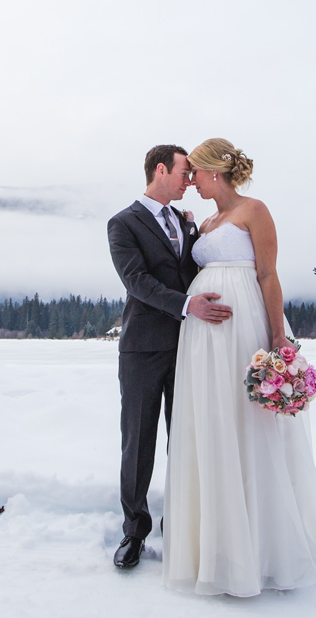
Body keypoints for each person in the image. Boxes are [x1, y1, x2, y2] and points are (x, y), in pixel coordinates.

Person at [161, 138, 316, 596]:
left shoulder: (254, 210)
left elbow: (268, 274)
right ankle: (216, 547)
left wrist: (277, 336)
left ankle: (262, 547)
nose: (190, 180)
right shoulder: (205, 220)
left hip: (244, 327)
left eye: (194, 172)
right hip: (203, 336)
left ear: (214, 172)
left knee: (247, 424)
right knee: (212, 421)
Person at [106, 144, 233, 570]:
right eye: (184, 172)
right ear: (160, 170)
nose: (189, 180)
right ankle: (134, 533)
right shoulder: (122, 223)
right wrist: (187, 305)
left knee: (187, 439)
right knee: (138, 443)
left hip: (189, 347)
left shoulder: (185, 221)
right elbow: (137, 281)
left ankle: (180, 526)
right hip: (143, 348)